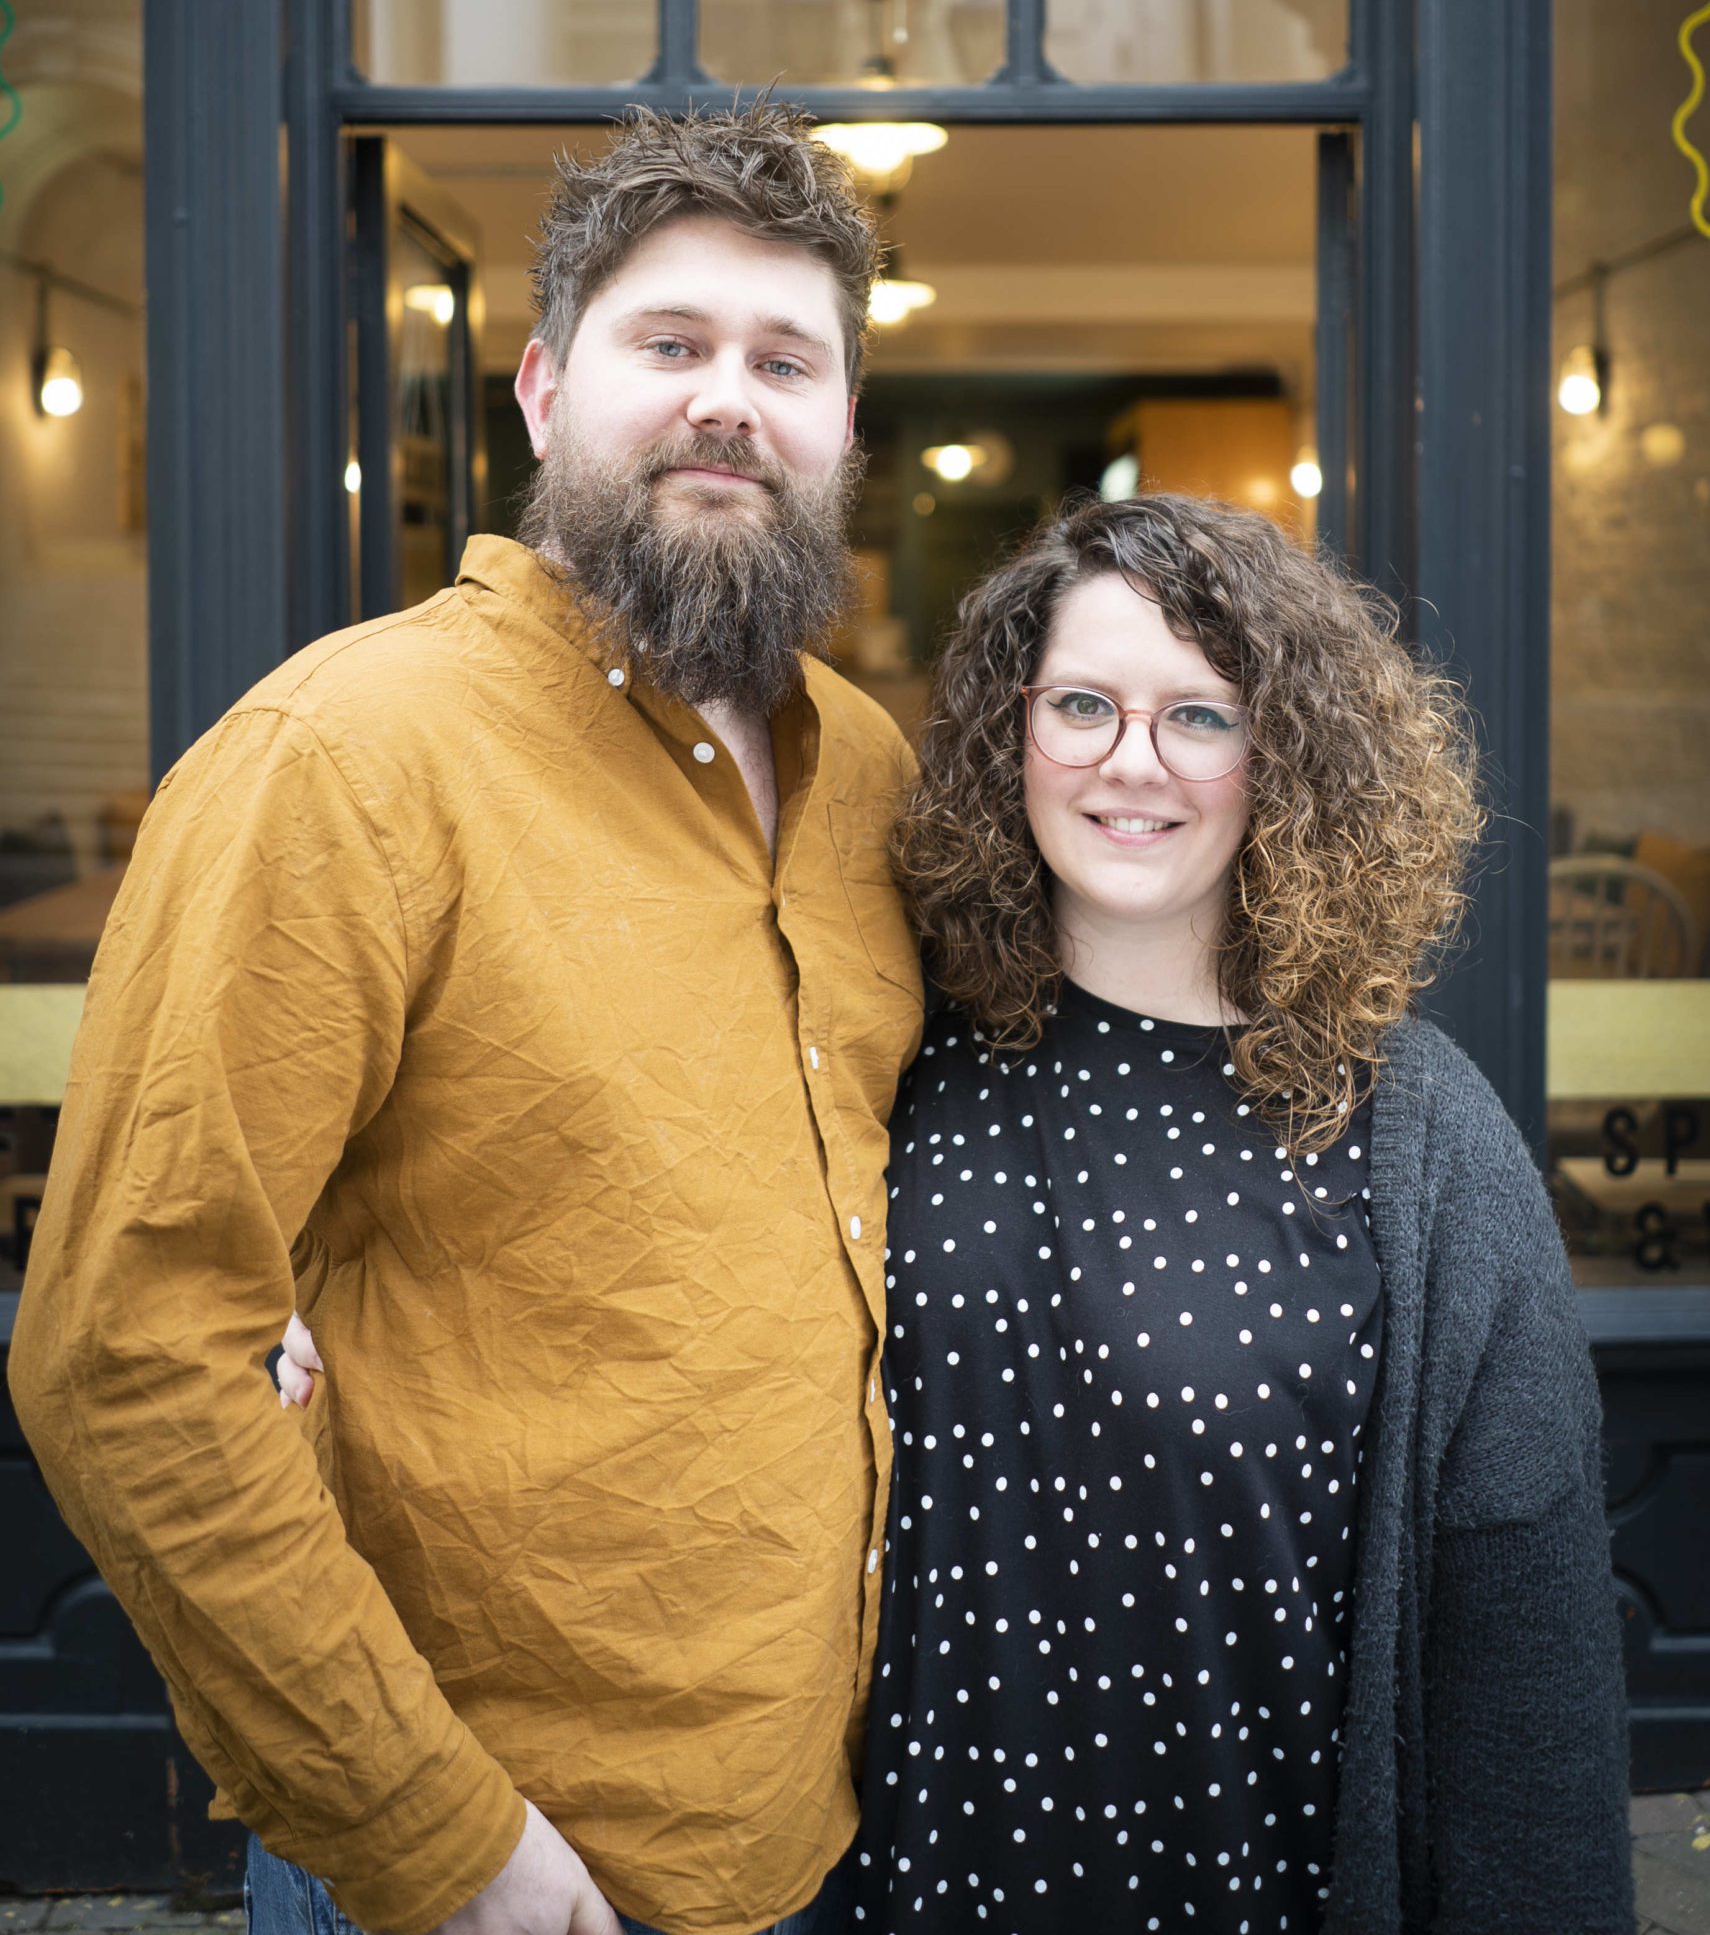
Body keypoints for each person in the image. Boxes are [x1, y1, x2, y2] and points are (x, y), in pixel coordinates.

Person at [278, 491, 1634, 1932]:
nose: (1132, 762)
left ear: (1286, 756)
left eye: (1199, 717)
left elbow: (1524, 1673)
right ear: (1009, 733)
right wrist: (303, 1283)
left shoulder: (1410, 1140)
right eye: (1082, 704)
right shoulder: (883, 1047)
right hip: (880, 1888)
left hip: (1237, 1884)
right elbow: (594, 1183)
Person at [9, 104, 926, 1935]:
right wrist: (443, 1842)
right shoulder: (345, 761)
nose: (724, 401)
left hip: (816, 1816)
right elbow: (128, 1348)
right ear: (540, 392)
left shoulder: (872, 777)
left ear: (840, 428)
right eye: (666, 346)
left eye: (783, 359)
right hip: (501, 1856)